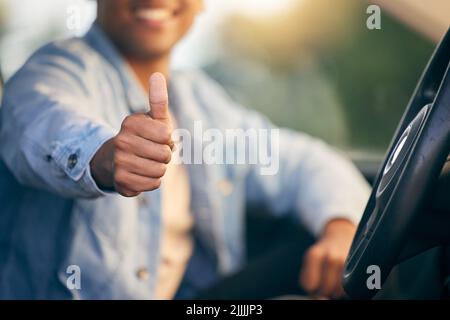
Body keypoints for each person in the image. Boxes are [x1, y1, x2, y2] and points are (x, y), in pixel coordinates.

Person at [0, 0, 370, 299]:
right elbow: (40, 120)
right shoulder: (56, 69)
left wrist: (340, 225)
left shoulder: (203, 102)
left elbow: (302, 162)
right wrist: (103, 156)